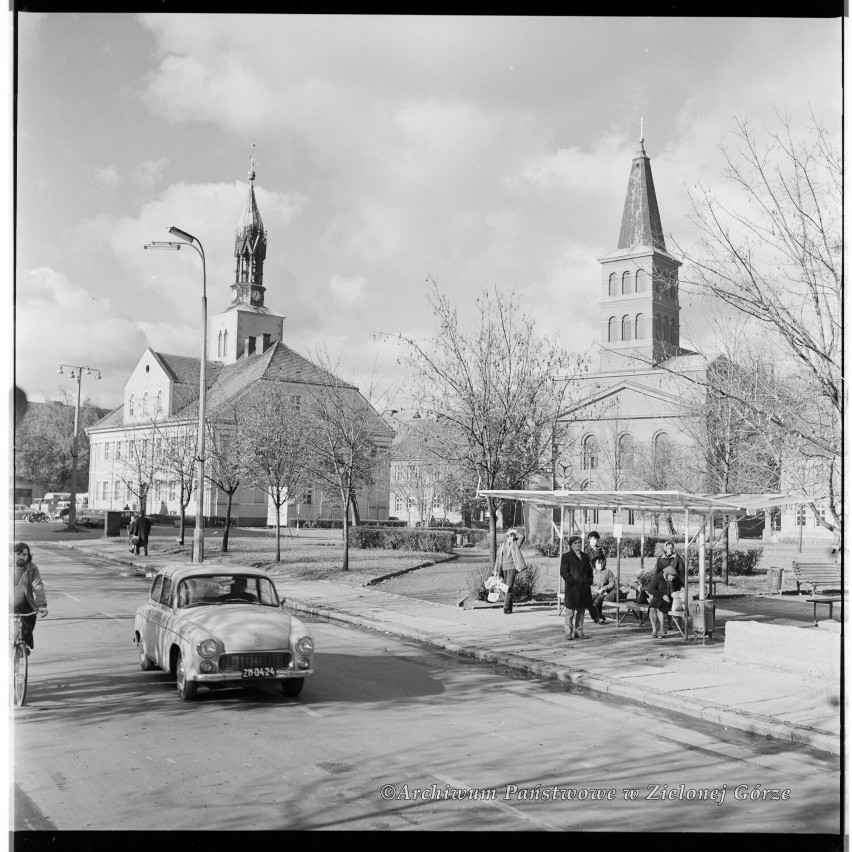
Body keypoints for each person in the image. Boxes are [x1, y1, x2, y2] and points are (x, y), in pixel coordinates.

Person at [12, 542, 48, 650]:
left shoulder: (32, 568)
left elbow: (38, 586)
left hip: (25, 603)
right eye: (18, 554)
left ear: (28, 556)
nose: (21, 557)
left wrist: (41, 605)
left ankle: (23, 644)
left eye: (24, 554)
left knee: (30, 619)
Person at [560, 535, 593, 640]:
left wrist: (589, 581)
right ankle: (568, 633)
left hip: (584, 588)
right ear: (571, 545)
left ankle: (579, 632)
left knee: (581, 611)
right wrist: (571, 581)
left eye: (579, 542)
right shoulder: (566, 556)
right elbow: (563, 571)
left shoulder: (585, 556)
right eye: (575, 543)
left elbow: (590, 571)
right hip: (572, 589)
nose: (578, 544)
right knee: (570, 612)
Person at [643, 563, 682, 638]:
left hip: (670, 598)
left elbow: (681, 584)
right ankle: (654, 630)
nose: (672, 579)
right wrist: (662, 595)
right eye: (671, 578)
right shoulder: (658, 577)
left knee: (660, 608)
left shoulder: (675, 578)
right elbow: (650, 589)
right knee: (652, 608)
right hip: (658, 596)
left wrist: (682, 588)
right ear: (666, 574)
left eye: (673, 578)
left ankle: (662, 629)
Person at [493, 528, 527, 614]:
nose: (512, 536)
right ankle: (510, 607)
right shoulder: (503, 544)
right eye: (510, 535)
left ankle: (506, 607)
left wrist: (514, 531)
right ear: (507, 535)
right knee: (505, 589)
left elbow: (522, 536)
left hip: (512, 568)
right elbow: (498, 558)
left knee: (508, 588)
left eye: (513, 535)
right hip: (503, 568)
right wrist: (496, 570)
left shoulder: (516, 543)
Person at [589, 556, 617, 623]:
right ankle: (596, 617)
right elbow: (588, 584)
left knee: (597, 601)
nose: (601, 565)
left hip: (604, 592)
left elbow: (612, 582)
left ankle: (599, 617)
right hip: (594, 592)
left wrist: (605, 588)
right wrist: (595, 589)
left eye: (602, 563)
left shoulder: (607, 572)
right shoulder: (591, 572)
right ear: (595, 564)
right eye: (599, 563)